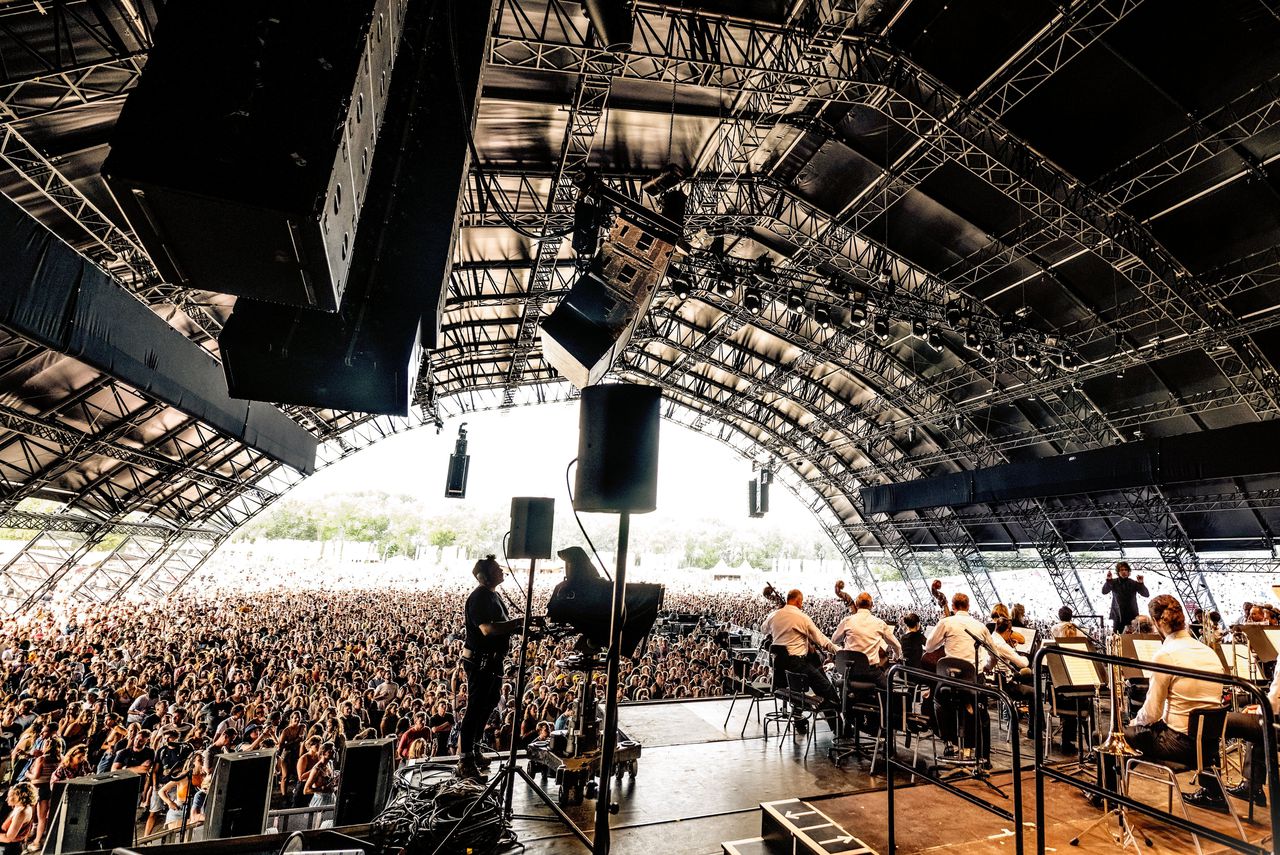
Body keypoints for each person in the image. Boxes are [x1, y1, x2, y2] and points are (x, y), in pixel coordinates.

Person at [1123, 595, 1227, 810]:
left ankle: (1107, 796)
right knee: (1190, 722)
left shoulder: (1165, 655)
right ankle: (1215, 795)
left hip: (1180, 745)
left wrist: (1134, 722)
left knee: (1121, 738)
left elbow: (1152, 713)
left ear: (1156, 621)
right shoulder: (1208, 652)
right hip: (1209, 744)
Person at [457, 556, 525, 780]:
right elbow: (487, 629)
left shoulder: (493, 595)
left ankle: (475, 750)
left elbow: (500, 626)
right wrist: (516, 623)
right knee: (475, 708)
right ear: (483, 576)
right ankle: (465, 759)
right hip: (480, 661)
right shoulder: (479, 597)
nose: (501, 570)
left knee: (488, 704)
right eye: (496, 569)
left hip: (492, 661)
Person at [759, 589, 839, 709]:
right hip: (798, 665)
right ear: (798, 601)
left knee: (797, 687)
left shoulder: (774, 615)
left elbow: (763, 629)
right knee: (826, 688)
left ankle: (798, 717)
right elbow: (821, 639)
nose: (801, 605)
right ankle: (838, 722)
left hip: (780, 667)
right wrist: (839, 651)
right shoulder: (802, 618)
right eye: (801, 602)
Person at [831, 592, 901, 681]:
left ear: (856, 604)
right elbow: (897, 645)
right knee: (887, 691)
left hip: (850, 673)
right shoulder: (879, 623)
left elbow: (834, 640)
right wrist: (896, 655)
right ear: (871, 605)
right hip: (870, 673)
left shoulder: (847, 621)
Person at [1102, 562, 1149, 633]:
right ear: (1118, 572)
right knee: (1117, 637)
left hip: (1131, 615)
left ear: (1128, 572)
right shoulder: (1113, 582)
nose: (1124, 571)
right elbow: (1104, 591)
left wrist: (1141, 583)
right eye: (1121, 570)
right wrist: (1108, 580)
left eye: (1126, 569)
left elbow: (1146, 594)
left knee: (1132, 637)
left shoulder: (1133, 583)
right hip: (1118, 615)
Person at [0, 784, 35, 855]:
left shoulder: (22, 813)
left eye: (10, 797)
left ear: (19, 797)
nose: (6, 799)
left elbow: (8, 838)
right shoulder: (19, 807)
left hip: (9, 849)